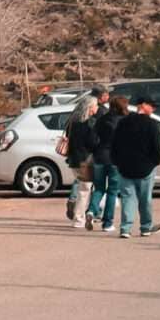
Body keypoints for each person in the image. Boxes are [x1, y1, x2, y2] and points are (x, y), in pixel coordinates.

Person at [110, 95, 160, 238]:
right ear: (143, 105)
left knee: (128, 198)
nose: (153, 109)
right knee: (145, 199)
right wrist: (154, 162)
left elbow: (114, 145)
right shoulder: (152, 125)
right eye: (152, 106)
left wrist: (117, 162)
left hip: (125, 167)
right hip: (146, 168)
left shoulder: (123, 123)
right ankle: (146, 227)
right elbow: (158, 148)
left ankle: (125, 229)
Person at [85, 96, 128, 232]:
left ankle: (91, 211)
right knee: (113, 191)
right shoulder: (124, 121)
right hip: (116, 159)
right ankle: (107, 223)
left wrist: (95, 150)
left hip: (100, 156)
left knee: (99, 188)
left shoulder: (101, 119)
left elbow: (92, 139)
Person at [63, 95, 99, 228]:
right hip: (86, 160)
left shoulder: (72, 122)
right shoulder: (90, 123)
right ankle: (79, 219)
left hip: (73, 159)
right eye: (95, 105)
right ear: (90, 108)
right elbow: (93, 143)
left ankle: (82, 215)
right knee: (85, 189)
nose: (97, 108)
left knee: (82, 187)